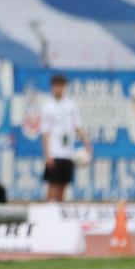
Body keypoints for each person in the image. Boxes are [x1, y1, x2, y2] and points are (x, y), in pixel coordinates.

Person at [41, 74, 91, 202]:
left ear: (65, 87)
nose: (59, 89)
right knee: (53, 185)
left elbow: (78, 127)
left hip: (68, 152)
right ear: (52, 87)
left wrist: (87, 143)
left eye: (61, 86)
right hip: (55, 152)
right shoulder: (48, 107)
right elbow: (45, 133)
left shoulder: (71, 105)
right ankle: (48, 214)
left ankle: (57, 216)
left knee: (63, 186)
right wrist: (47, 155)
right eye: (56, 86)